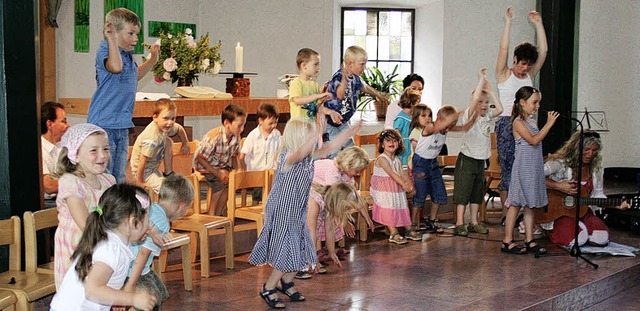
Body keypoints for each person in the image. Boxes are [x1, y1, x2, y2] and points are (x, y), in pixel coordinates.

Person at [248, 115, 363, 309]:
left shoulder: (308, 158)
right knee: (287, 249)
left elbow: (330, 147)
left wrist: (349, 132)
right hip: (282, 211)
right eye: (309, 137)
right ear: (297, 139)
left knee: (301, 247)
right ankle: (268, 287)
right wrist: (318, 129)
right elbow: (300, 152)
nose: (314, 140)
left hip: (297, 210)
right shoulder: (289, 157)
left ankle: (287, 282)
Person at [50, 184, 156, 311]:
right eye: (147, 218)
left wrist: (117, 298)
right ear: (133, 221)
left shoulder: (107, 238)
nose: (149, 223)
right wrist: (132, 299)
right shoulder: (112, 249)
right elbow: (92, 290)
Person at [88, 8, 159, 183]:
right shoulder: (104, 51)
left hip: (121, 123)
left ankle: (116, 209)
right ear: (113, 31)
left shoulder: (127, 56)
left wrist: (152, 61)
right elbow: (115, 67)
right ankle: (102, 209)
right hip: (104, 122)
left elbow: (134, 75)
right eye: (131, 33)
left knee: (119, 175)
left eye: (137, 34)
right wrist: (111, 39)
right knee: (104, 174)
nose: (136, 38)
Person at [495, 7, 548, 218]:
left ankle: (523, 213)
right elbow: (503, 49)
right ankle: (509, 214)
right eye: (522, 63)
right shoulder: (504, 73)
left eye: (529, 65)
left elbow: (543, 52)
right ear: (516, 59)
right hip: (508, 123)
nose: (525, 68)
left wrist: (538, 24)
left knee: (527, 168)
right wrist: (508, 22)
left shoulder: (529, 76)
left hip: (527, 123)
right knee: (509, 168)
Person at [52, 123, 117, 289]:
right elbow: (86, 224)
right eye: (93, 150)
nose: (102, 156)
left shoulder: (108, 181)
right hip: (76, 254)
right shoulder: (70, 182)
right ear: (75, 155)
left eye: (106, 149)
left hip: (101, 251)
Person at [543, 130, 629, 247]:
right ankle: (554, 230)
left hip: (584, 212)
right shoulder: (560, 163)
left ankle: (580, 226)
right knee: (578, 240)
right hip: (559, 214)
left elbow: (598, 195)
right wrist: (558, 186)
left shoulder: (595, 169)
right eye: (586, 150)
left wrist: (615, 204)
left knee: (601, 238)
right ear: (576, 149)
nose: (590, 154)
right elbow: (533, 175)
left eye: (594, 150)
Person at [501, 86, 558, 255]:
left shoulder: (531, 120)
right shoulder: (518, 122)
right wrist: (549, 124)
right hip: (523, 167)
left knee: (530, 205)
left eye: (538, 102)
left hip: (533, 166)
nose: (538, 106)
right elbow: (533, 140)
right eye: (534, 102)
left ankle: (529, 239)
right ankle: (507, 240)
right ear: (522, 102)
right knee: (516, 203)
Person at [124, 174, 194, 310]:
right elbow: (143, 253)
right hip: (132, 270)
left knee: (159, 290)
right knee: (151, 297)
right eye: (187, 209)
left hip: (126, 265)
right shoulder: (162, 223)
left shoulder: (149, 208)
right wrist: (131, 284)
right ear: (181, 206)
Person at [304, 146, 373, 278]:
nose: (358, 175)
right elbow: (310, 232)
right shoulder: (332, 172)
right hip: (304, 196)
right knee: (310, 230)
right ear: (349, 163)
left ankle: (313, 258)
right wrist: (344, 220)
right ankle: (306, 261)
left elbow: (330, 226)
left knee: (319, 226)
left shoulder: (340, 183)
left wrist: (332, 252)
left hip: (321, 196)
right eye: (357, 171)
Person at [453, 68, 503, 236]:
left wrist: (490, 91)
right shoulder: (469, 115)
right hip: (467, 159)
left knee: (476, 193)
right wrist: (481, 79)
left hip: (481, 160)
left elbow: (500, 109)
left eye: (486, 102)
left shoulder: (487, 116)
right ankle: (460, 222)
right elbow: (475, 100)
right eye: (481, 102)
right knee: (463, 191)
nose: (484, 105)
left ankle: (474, 222)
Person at [411, 106, 476, 232]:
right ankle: (413, 223)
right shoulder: (430, 127)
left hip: (433, 163)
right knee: (420, 194)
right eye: (448, 123)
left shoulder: (445, 128)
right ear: (439, 118)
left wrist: (476, 114)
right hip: (421, 163)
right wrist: (456, 114)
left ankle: (432, 219)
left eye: (451, 125)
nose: (448, 128)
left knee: (439, 192)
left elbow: (465, 127)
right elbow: (438, 127)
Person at [323, 45, 388, 158]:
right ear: (349, 64)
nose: (364, 68)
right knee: (334, 152)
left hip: (344, 122)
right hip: (331, 122)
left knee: (350, 151)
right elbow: (338, 95)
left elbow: (365, 87)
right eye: (362, 64)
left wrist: (379, 94)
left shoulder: (356, 78)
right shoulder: (339, 77)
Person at [194, 104, 246, 216]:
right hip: (206, 166)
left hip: (222, 165)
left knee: (230, 181)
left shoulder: (236, 137)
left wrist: (236, 170)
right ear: (227, 123)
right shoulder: (214, 137)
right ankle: (211, 214)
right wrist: (218, 173)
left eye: (243, 126)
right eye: (239, 126)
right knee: (220, 183)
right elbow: (200, 158)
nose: (242, 129)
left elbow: (234, 156)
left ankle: (220, 212)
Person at [130, 98, 189, 194]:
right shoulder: (152, 137)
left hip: (152, 167)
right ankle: (163, 206)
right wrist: (139, 182)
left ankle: (168, 172)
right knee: (167, 189)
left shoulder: (164, 126)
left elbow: (179, 129)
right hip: (143, 171)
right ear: (155, 117)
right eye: (166, 118)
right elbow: (142, 160)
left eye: (173, 118)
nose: (170, 122)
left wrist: (185, 143)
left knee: (168, 141)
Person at [371, 129, 419, 244]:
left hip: (395, 188)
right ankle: (393, 233)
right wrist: (403, 184)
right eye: (388, 141)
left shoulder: (397, 160)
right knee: (389, 205)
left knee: (402, 204)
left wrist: (410, 185)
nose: (391, 143)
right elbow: (392, 173)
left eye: (395, 141)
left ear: (399, 143)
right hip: (382, 190)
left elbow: (402, 174)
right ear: (382, 144)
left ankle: (408, 229)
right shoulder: (382, 159)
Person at [309, 182, 368, 269]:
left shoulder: (329, 204)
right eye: (346, 208)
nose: (345, 212)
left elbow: (330, 229)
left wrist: (332, 252)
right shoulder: (315, 202)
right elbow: (310, 232)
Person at [239, 103, 282, 204]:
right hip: (256, 171)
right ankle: (256, 207)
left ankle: (270, 208)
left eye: (275, 123)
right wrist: (243, 170)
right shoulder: (253, 135)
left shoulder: (276, 135)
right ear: (261, 121)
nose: (273, 126)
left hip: (271, 171)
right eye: (270, 123)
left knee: (275, 185)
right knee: (258, 191)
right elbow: (243, 155)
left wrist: (277, 167)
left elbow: (278, 153)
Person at [288, 48, 334, 121]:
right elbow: (297, 100)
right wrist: (318, 96)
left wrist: (324, 96)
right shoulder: (296, 83)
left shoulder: (315, 85)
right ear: (304, 66)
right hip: (299, 127)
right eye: (315, 64)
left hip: (311, 127)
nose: (318, 68)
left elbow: (316, 107)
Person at [41, 101, 70, 208]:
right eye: (63, 121)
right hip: (46, 203)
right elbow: (48, 186)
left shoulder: (63, 146)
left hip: (62, 198)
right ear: (49, 124)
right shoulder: (39, 150)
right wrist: (76, 183)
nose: (68, 125)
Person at [393, 88, 421, 167]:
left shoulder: (411, 116)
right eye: (417, 103)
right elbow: (396, 131)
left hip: (411, 144)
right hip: (404, 145)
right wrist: (400, 143)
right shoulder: (401, 117)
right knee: (404, 165)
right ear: (412, 104)